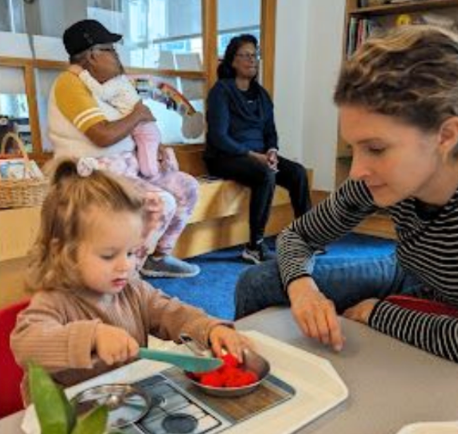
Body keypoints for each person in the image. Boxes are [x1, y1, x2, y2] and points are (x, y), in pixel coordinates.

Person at [235, 25, 458, 363]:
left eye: (376, 148)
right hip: (413, 272)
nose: (356, 171)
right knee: (257, 283)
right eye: (353, 147)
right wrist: (303, 288)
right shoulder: (376, 179)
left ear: (446, 135)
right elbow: (297, 236)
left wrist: (378, 314)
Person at [11, 158, 252, 396]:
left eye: (131, 252)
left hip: (124, 403)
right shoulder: (54, 300)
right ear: (64, 252)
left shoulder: (133, 290)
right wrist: (92, 338)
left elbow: (172, 312)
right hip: (67, 420)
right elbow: (25, 345)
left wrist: (210, 329)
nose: (125, 265)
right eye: (108, 255)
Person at [48, 19, 199, 278]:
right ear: (93, 55)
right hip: (90, 175)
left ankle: (158, 257)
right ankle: (128, 275)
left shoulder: (112, 86)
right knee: (160, 202)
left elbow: (131, 125)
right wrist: (139, 115)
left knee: (186, 186)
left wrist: (156, 146)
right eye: (112, 49)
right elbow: (102, 136)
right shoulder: (69, 83)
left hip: (127, 168)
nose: (118, 56)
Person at [204, 34, 311, 264]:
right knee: (266, 173)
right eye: (245, 55)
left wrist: (271, 151)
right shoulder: (221, 91)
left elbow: (270, 131)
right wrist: (254, 156)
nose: (252, 60)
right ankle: (254, 247)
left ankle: (307, 239)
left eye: (254, 55)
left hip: (259, 155)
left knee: (298, 173)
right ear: (232, 61)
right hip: (225, 156)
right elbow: (218, 137)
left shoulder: (262, 95)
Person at [68, 63, 179, 179]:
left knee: (148, 171)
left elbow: (101, 93)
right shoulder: (123, 82)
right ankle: (163, 161)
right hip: (141, 131)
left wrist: (82, 74)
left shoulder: (117, 83)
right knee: (143, 163)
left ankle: (168, 158)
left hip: (146, 133)